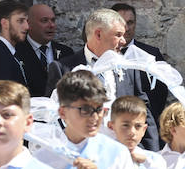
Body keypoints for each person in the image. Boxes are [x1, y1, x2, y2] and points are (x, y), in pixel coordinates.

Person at [55, 9, 170, 151]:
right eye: (118, 35)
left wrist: (150, 151)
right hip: (81, 152)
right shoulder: (64, 68)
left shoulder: (127, 66)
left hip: (125, 151)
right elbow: (55, 114)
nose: (123, 41)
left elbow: (142, 109)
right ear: (98, 34)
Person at [0, 0, 32, 94]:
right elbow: (4, 99)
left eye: (26, 21)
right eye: (20, 21)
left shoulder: (10, 53)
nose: (27, 27)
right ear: (5, 23)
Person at [24, 3, 73, 98]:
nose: (51, 25)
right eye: (44, 20)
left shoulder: (66, 52)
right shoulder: (17, 52)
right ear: (29, 23)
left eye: (53, 20)